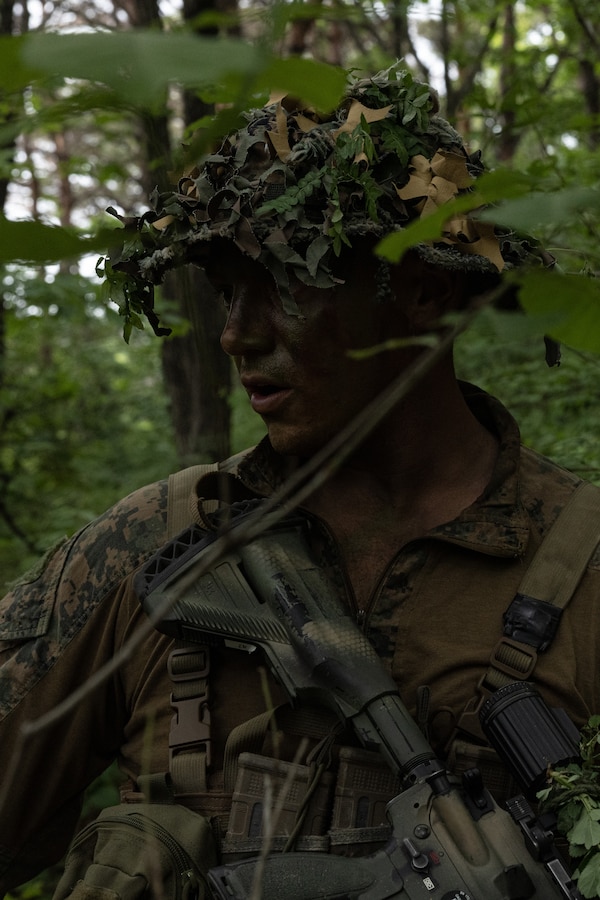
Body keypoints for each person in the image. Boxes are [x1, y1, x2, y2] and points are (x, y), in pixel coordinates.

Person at [0, 63, 598, 898]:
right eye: (226, 292)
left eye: (284, 282)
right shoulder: (158, 544)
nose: (236, 336)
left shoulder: (583, 569)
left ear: (425, 292)